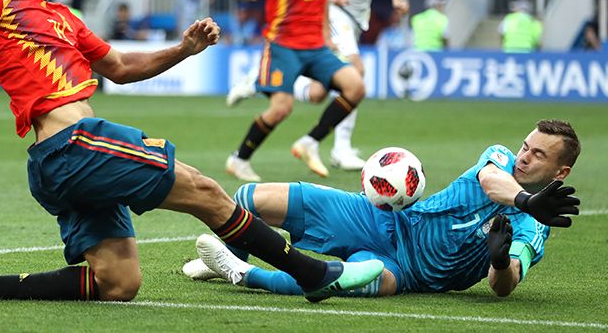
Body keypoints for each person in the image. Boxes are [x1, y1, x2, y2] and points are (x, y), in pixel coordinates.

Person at [0, 0, 383, 304]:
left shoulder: (65, 18)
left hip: (62, 162)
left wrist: (182, 50)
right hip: (74, 146)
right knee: (203, 189)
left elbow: (120, 66)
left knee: (118, 282)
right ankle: (315, 274)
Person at [185, 119, 581, 298]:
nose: (524, 157)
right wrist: (526, 199)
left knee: (336, 281)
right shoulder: (500, 158)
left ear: (560, 171)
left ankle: (241, 273)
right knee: (247, 199)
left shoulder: (534, 229)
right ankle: (227, 254)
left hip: (406, 274)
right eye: (526, 147)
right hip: (384, 219)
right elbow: (490, 182)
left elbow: (503, 287)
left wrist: (497, 262)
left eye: (538, 155)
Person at [226, 0, 408, 172]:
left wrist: (325, 36)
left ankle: (311, 141)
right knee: (281, 108)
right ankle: (239, 159)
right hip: (283, 43)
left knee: (352, 87)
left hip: (316, 45)